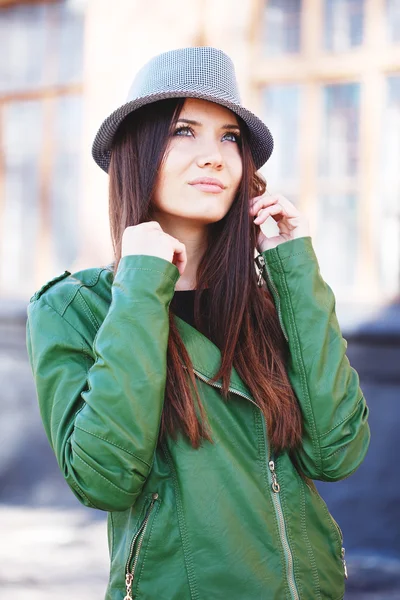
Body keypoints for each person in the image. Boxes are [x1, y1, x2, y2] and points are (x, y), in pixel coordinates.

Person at [26, 47, 370, 600]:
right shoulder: (73, 308)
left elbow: (336, 453)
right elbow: (104, 478)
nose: (214, 156)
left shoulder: (270, 299)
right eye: (184, 131)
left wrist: (295, 265)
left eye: (230, 137)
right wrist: (140, 285)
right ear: (135, 151)